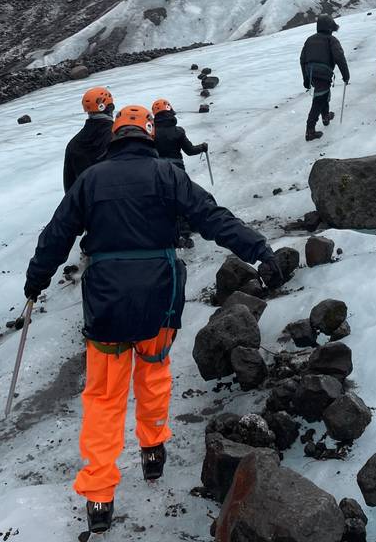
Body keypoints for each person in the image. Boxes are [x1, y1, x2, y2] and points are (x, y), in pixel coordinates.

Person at [24, 105, 283, 536]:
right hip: (159, 301)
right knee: (153, 374)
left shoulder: (90, 180)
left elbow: (56, 235)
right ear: (146, 136)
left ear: (114, 139)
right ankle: (153, 450)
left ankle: (100, 496)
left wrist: (36, 281)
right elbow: (212, 218)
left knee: (104, 398)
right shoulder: (168, 174)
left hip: (106, 305)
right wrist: (259, 250)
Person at [152, 98, 209, 248]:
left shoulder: (151, 132)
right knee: (181, 198)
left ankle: (167, 234)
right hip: (177, 170)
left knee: (162, 201)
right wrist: (202, 147)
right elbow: (189, 151)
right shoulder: (178, 131)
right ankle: (185, 234)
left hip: (157, 169)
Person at [300, 15, 350, 142]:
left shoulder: (309, 39)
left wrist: (306, 78)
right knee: (319, 99)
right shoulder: (331, 40)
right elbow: (339, 58)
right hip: (323, 73)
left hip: (311, 73)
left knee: (323, 94)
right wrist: (346, 75)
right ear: (329, 28)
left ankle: (326, 116)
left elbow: (302, 59)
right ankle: (310, 131)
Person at [63, 87, 115, 193]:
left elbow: (69, 186)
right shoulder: (118, 136)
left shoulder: (73, 144)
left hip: (87, 203)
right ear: (110, 108)